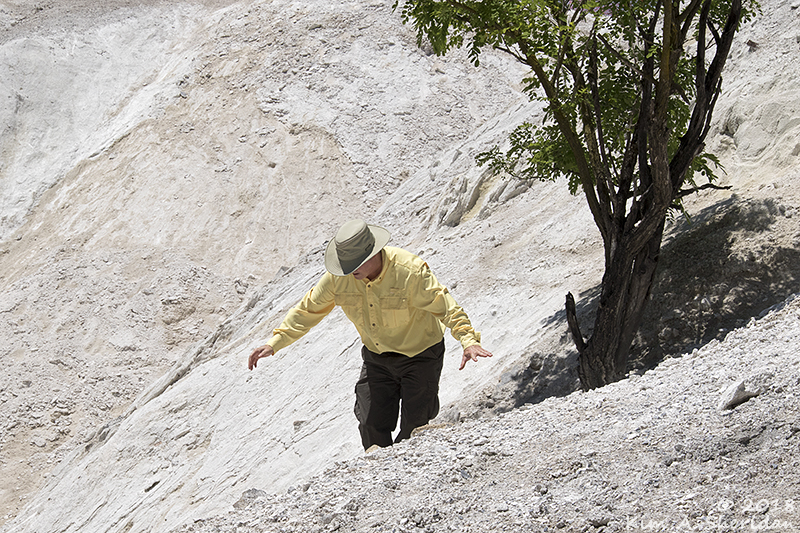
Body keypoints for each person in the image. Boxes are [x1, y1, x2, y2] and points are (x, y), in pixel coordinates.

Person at [248, 219, 492, 450]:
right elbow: (307, 310)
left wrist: (468, 340)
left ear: (374, 253)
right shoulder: (339, 278)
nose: (348, 270)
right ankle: (381, 474)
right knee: (370, 424)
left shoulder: (410, 271)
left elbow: (447, 308)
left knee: (415, 427)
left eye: (354, 263)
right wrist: (275, 342)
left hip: (420, 357)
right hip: (377, 359)